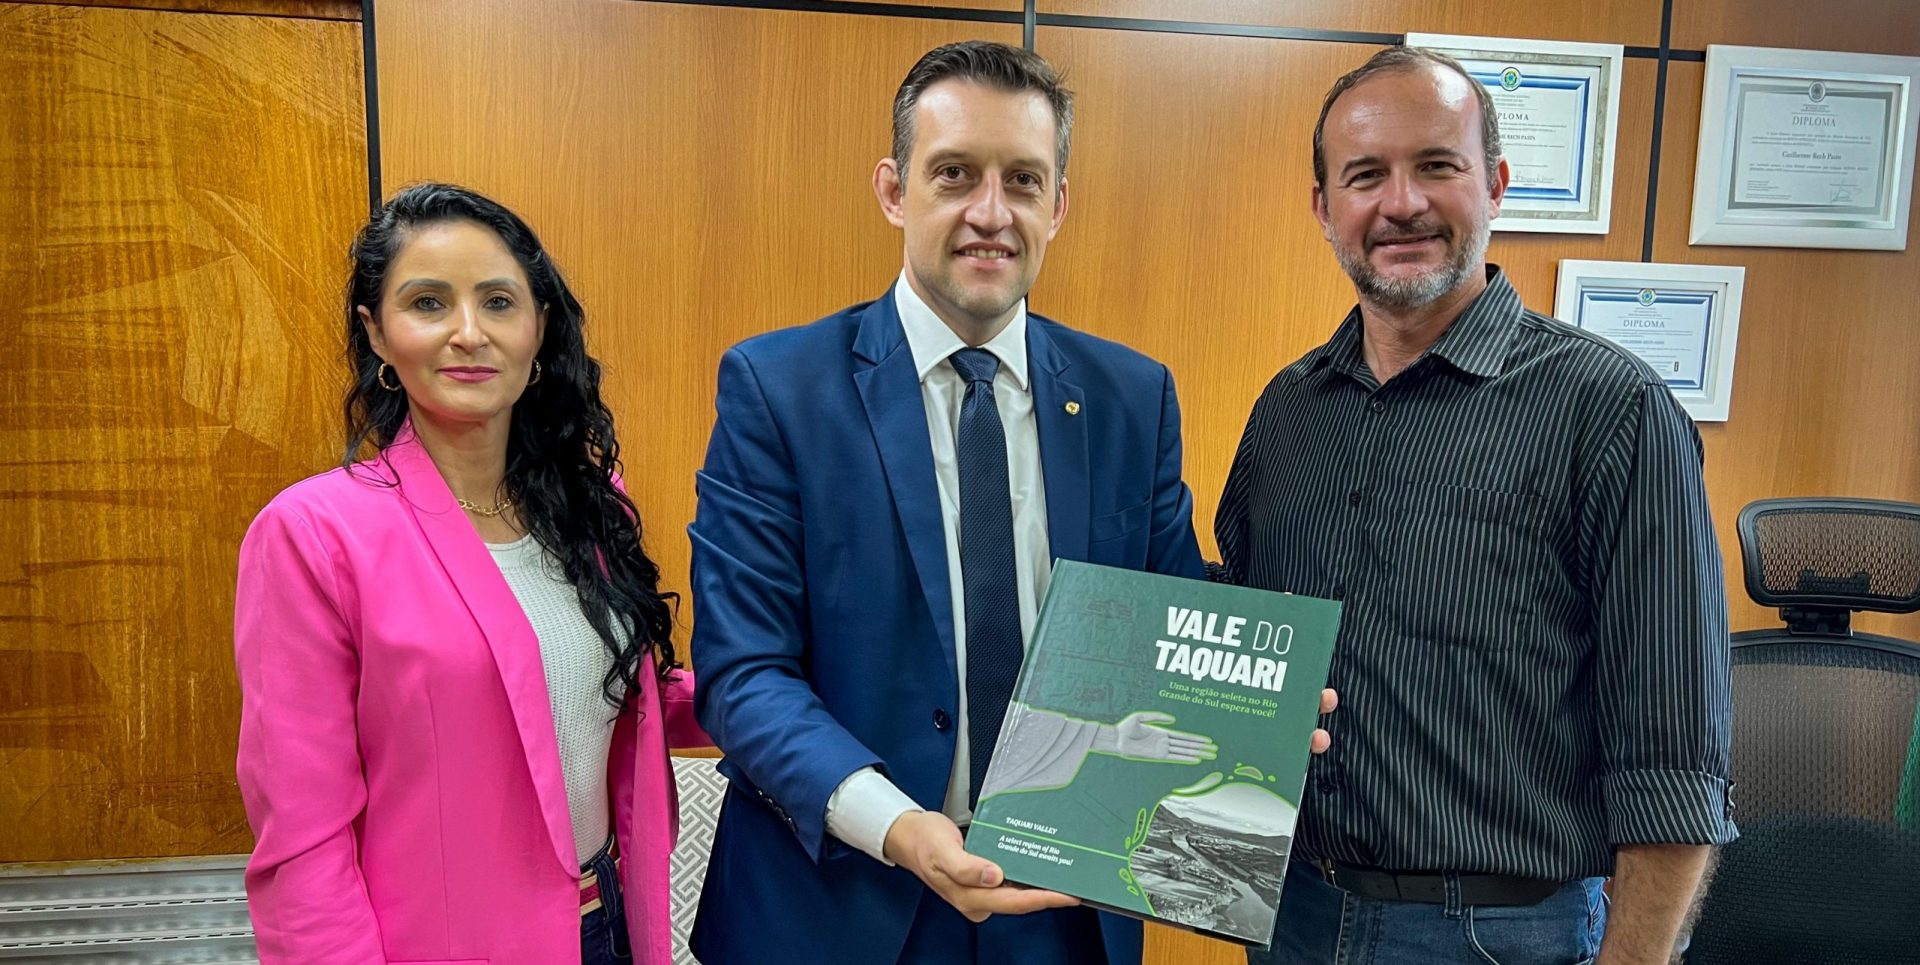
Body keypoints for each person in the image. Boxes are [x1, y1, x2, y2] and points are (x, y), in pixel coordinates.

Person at [688, 40, 1334, 965]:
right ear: (894, 190)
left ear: (1058, 205)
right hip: (839, 901)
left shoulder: (1133, 397)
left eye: (1023, 181)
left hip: (1062, 913)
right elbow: (745, 673)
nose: (990, 213)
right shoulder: (777, 388)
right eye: (954, 174)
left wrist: (1253, 710)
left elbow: (1168, 626)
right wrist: (899, 825)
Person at [1216, 46, 1736, 965]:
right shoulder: (1287, 412)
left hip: (1502, 934)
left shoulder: (1611, 410)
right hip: (1291, 915)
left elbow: (1675, 759)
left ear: (1494, 184)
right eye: (1365, 175)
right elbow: (1236, 656)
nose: (1402, 203)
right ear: (1324, 207)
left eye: (1437, 166)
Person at [234, 182, 706, 965]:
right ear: (377, 333)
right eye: (428, 303)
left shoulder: (590, 508)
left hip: (608, 923)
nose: (468, 332)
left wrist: (765, 691)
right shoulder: (314, 535)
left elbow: (599, 695)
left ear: (538, 326)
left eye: (497, 302)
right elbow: (304, 841)